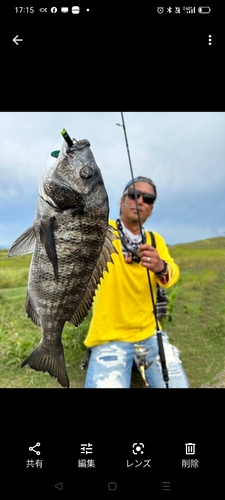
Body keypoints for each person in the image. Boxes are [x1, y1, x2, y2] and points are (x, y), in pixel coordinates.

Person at [84, 176, 189, 388]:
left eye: (148, 199)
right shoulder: (100, 230)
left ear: (151, 209)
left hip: (150, 334)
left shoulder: (155, 240)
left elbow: (172, 274)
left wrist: (161, 267)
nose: (140, 201)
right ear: (122, 200)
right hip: (108, 338)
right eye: (133, 195)